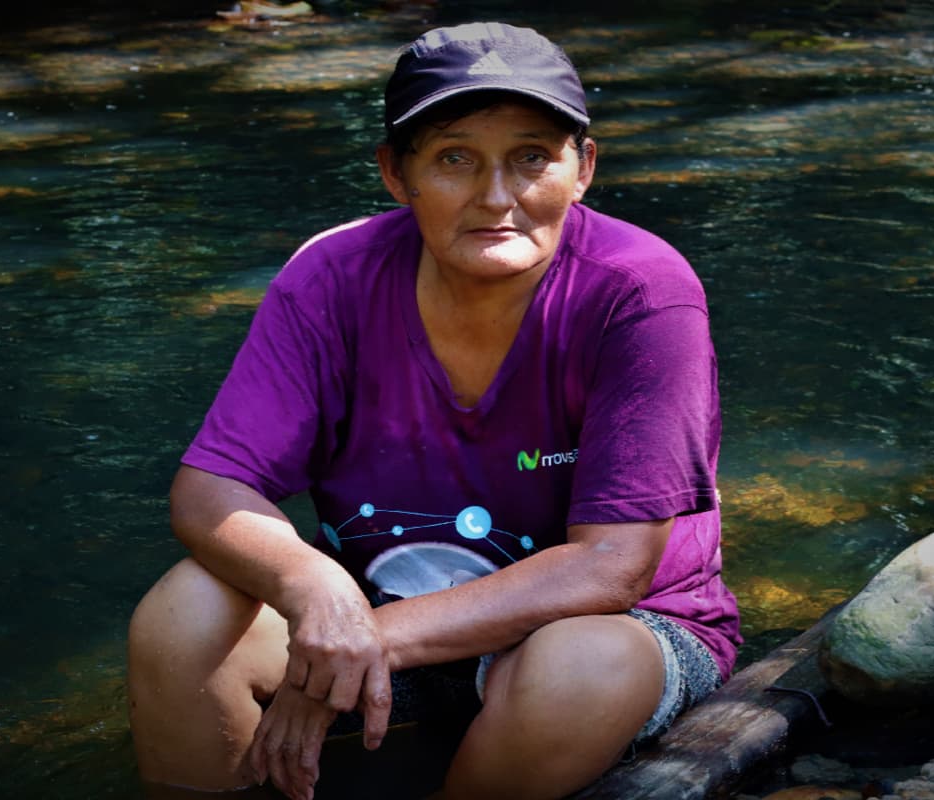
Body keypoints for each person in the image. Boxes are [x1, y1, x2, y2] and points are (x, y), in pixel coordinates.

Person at [127, 21, 741, 800]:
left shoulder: (640, 291)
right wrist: (320, 593)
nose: (496, 197)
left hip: (601, 633)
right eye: (455, 158)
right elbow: (211, 489)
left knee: (577, 667)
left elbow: (609, 568)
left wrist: (353, 643)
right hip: (380, 605)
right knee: (183, 616)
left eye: (531, 157)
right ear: (396, 173)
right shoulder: (331, 277)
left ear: (582, 168)